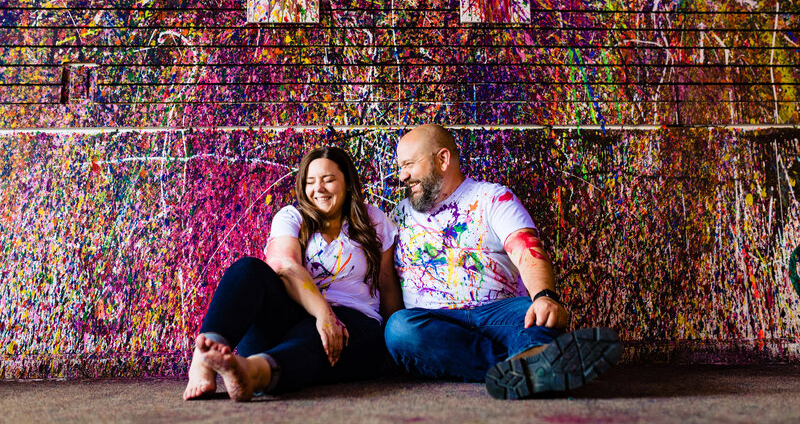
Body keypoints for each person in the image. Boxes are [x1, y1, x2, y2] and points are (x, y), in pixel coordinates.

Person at [384, 124, 621, 399]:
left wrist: (544, 297)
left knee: (534, 316)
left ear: (443, 159)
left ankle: (532, 363)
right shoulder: (397, 215)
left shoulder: (493, 198)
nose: (402, 175)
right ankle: (532, 368)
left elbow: (526, 249)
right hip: (434, 322)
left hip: (499, 312)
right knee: (399, 329)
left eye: (409, 164)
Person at [184, 146, 403, 401]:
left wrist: (392, 351)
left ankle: (252, 372)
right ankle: (203, 361)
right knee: (248, 269)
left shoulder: (373, 220)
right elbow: (285, 266)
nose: (318, 188)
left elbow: (387, 285)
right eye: (310, 181)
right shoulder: (292, 216)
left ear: (348, 183)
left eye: (329, 180)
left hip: (354, 328)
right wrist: (323, 313)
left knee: (311, 336)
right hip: (295, 315)